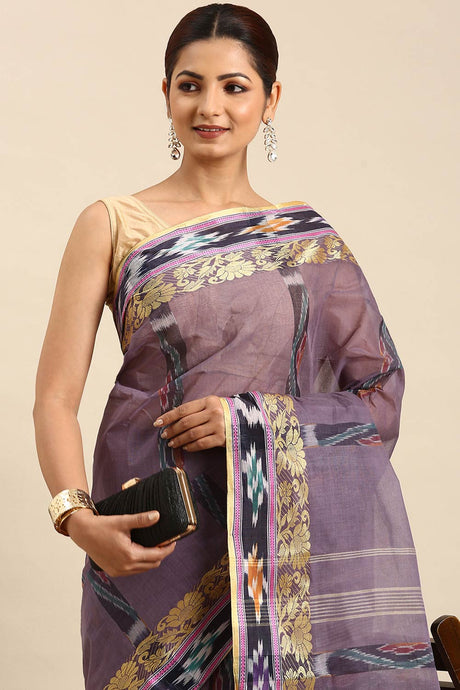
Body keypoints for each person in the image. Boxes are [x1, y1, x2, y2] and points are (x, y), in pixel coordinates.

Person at [34, 4, 439, 688]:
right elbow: (53, 398)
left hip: (279, 555)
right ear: (165, 93)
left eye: (234, 86)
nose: (210, 107)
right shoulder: (113, 223)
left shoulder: (309, 246)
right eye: (190, 85)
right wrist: (76, 518)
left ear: (270, 98)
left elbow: (379, 400)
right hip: (153, 540)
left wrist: (246, 420)